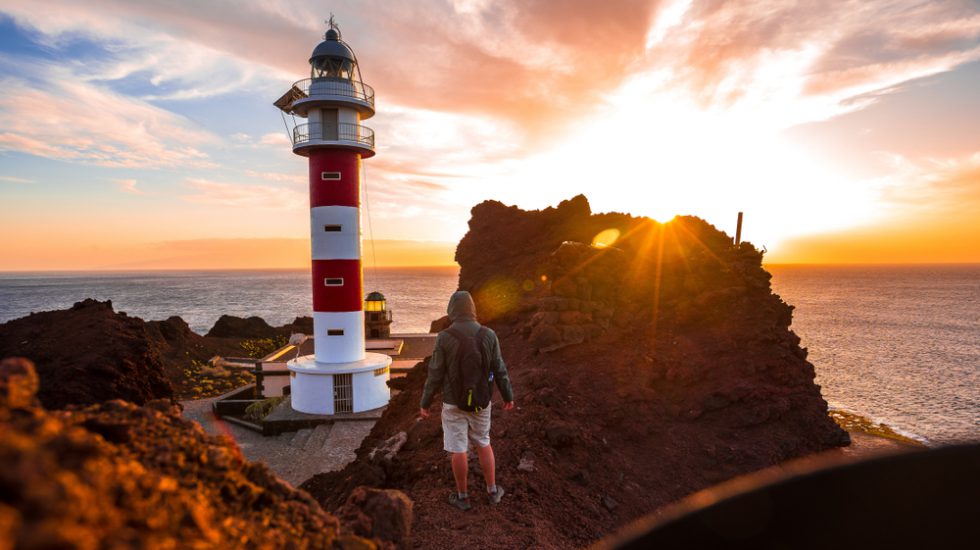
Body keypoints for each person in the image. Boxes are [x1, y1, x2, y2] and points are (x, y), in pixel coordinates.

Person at [420, 290, 515, 511]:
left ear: (452, 310)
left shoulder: (444, 337)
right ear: (472, 309)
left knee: (458, 448)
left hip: (453, 402)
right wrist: (508, 395)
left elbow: (435, 373)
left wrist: (425, 402)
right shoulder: (489, 335)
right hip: (482, 401)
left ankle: (463, 496)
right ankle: (492, 491)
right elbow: (499, 369)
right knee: (483, 442)